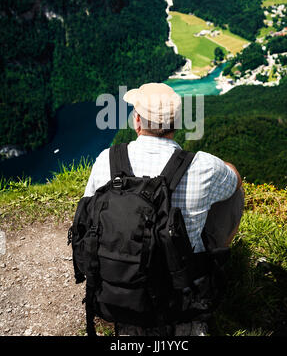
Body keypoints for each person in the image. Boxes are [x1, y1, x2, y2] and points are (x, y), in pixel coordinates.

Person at [84, 82, 244, 336]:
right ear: (176, 123)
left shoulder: (107, 160)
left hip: (120, 281)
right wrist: (222, 167)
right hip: (180, 288)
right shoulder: (204, 166)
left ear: (137, 121)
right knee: (235, 192)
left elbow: (87, 215)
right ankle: (215, 254)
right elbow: (235, 180)